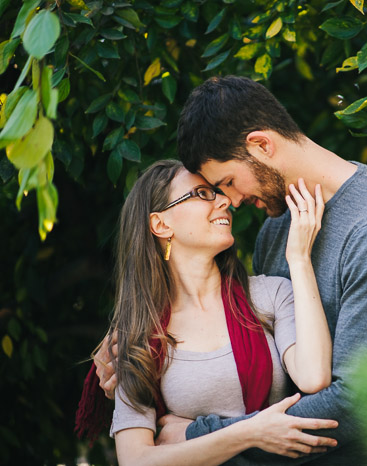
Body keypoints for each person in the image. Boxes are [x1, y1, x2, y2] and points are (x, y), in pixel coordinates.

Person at [96, 76, 367, 464]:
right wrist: (128, 337)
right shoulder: (276, 228)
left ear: (262, 145)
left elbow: (355, 402)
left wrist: (196, 434)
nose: (229, 201)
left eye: (228, 182)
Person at [77, 159, 340, 465]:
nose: (226, 200)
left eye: (218, 191)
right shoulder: (139, 338)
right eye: (203, 194)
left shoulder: (270, 295)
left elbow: (314, 376)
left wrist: (299, 259)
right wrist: (249, 433)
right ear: (161, 225)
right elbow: (136, 460)